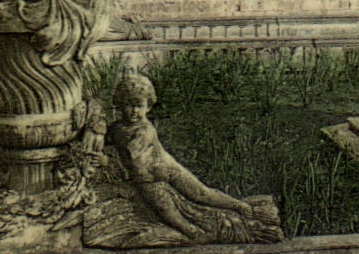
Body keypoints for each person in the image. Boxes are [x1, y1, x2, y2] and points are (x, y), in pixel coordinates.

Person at [108, 75, 281, 243]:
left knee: (201, 192)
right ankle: (191, 231)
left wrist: (108, 162)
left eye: (139, 105)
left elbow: (134, 157)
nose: (134, 111)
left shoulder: (145, 130)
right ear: (119, 106)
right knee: (165, 208)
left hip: (165, 168)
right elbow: (105, 140)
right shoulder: (117, 128)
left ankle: (238, 205)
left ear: (148, 107)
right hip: (147, 180)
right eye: (128, 105)